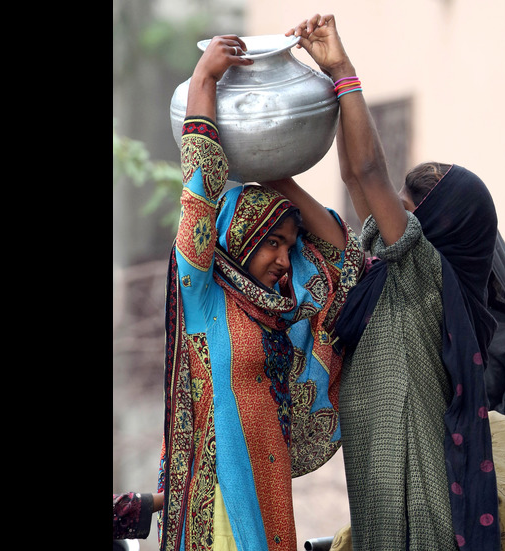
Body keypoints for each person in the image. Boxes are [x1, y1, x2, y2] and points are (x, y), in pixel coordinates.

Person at [288, 14, 505, 551]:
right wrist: (273, 160)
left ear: (440, 228)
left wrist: (343, 69)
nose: (392, 218)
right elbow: (350, 179)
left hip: (419, 505)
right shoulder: (390, 273)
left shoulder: (428, 277)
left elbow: (367, 174)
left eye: (408, 212)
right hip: (378, 495)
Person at [144, 34, 365, 551]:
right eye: (273, 243)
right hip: (216, 511)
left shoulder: (281, 318)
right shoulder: (201, 289)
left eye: (290, 246)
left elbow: (342, 259)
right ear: (237, 236)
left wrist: (273, 169)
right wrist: (204, 80)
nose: (285, 261)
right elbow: (200, 192)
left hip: (270, 506)